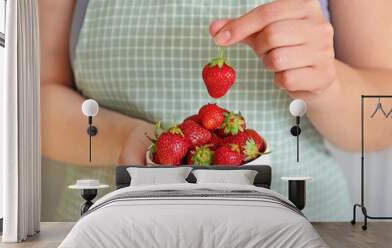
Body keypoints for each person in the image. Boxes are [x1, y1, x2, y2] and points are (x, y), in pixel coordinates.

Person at [39, 0, 392, 221]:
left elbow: (382, 118)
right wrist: (128, 143)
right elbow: (38, 101)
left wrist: (328, 85)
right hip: (111, 241)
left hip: (297, 232)